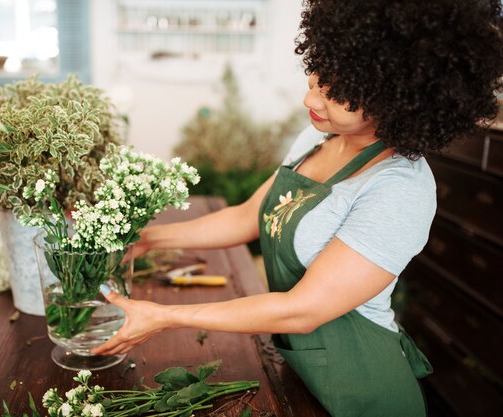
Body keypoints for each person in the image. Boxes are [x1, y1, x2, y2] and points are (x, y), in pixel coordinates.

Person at [92, 1, 503, 416]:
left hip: (363, 391)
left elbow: (302, 310)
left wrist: (164, 317)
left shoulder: (399, 190)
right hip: (300, 370)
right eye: (319, 73)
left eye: (338, 94)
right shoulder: (319, 137)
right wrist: (148, 240)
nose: (312, 96)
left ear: (402, 101)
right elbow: (248, 215)